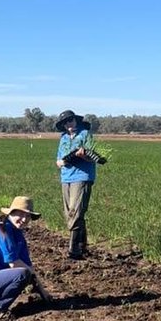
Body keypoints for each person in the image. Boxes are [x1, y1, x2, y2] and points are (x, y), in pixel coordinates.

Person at [55, 109, 102, 260]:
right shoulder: (63, 138)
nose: (69, 124)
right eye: (65, 123)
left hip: (82, 177)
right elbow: (58, 160)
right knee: (70, 212)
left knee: (75, 212)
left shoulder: (85, 134)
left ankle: (73, 250)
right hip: (66, 177)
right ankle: (82, 246)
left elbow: (93, 158)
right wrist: (61, 162)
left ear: (76, 120)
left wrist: (84, 156)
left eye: (71, 120)